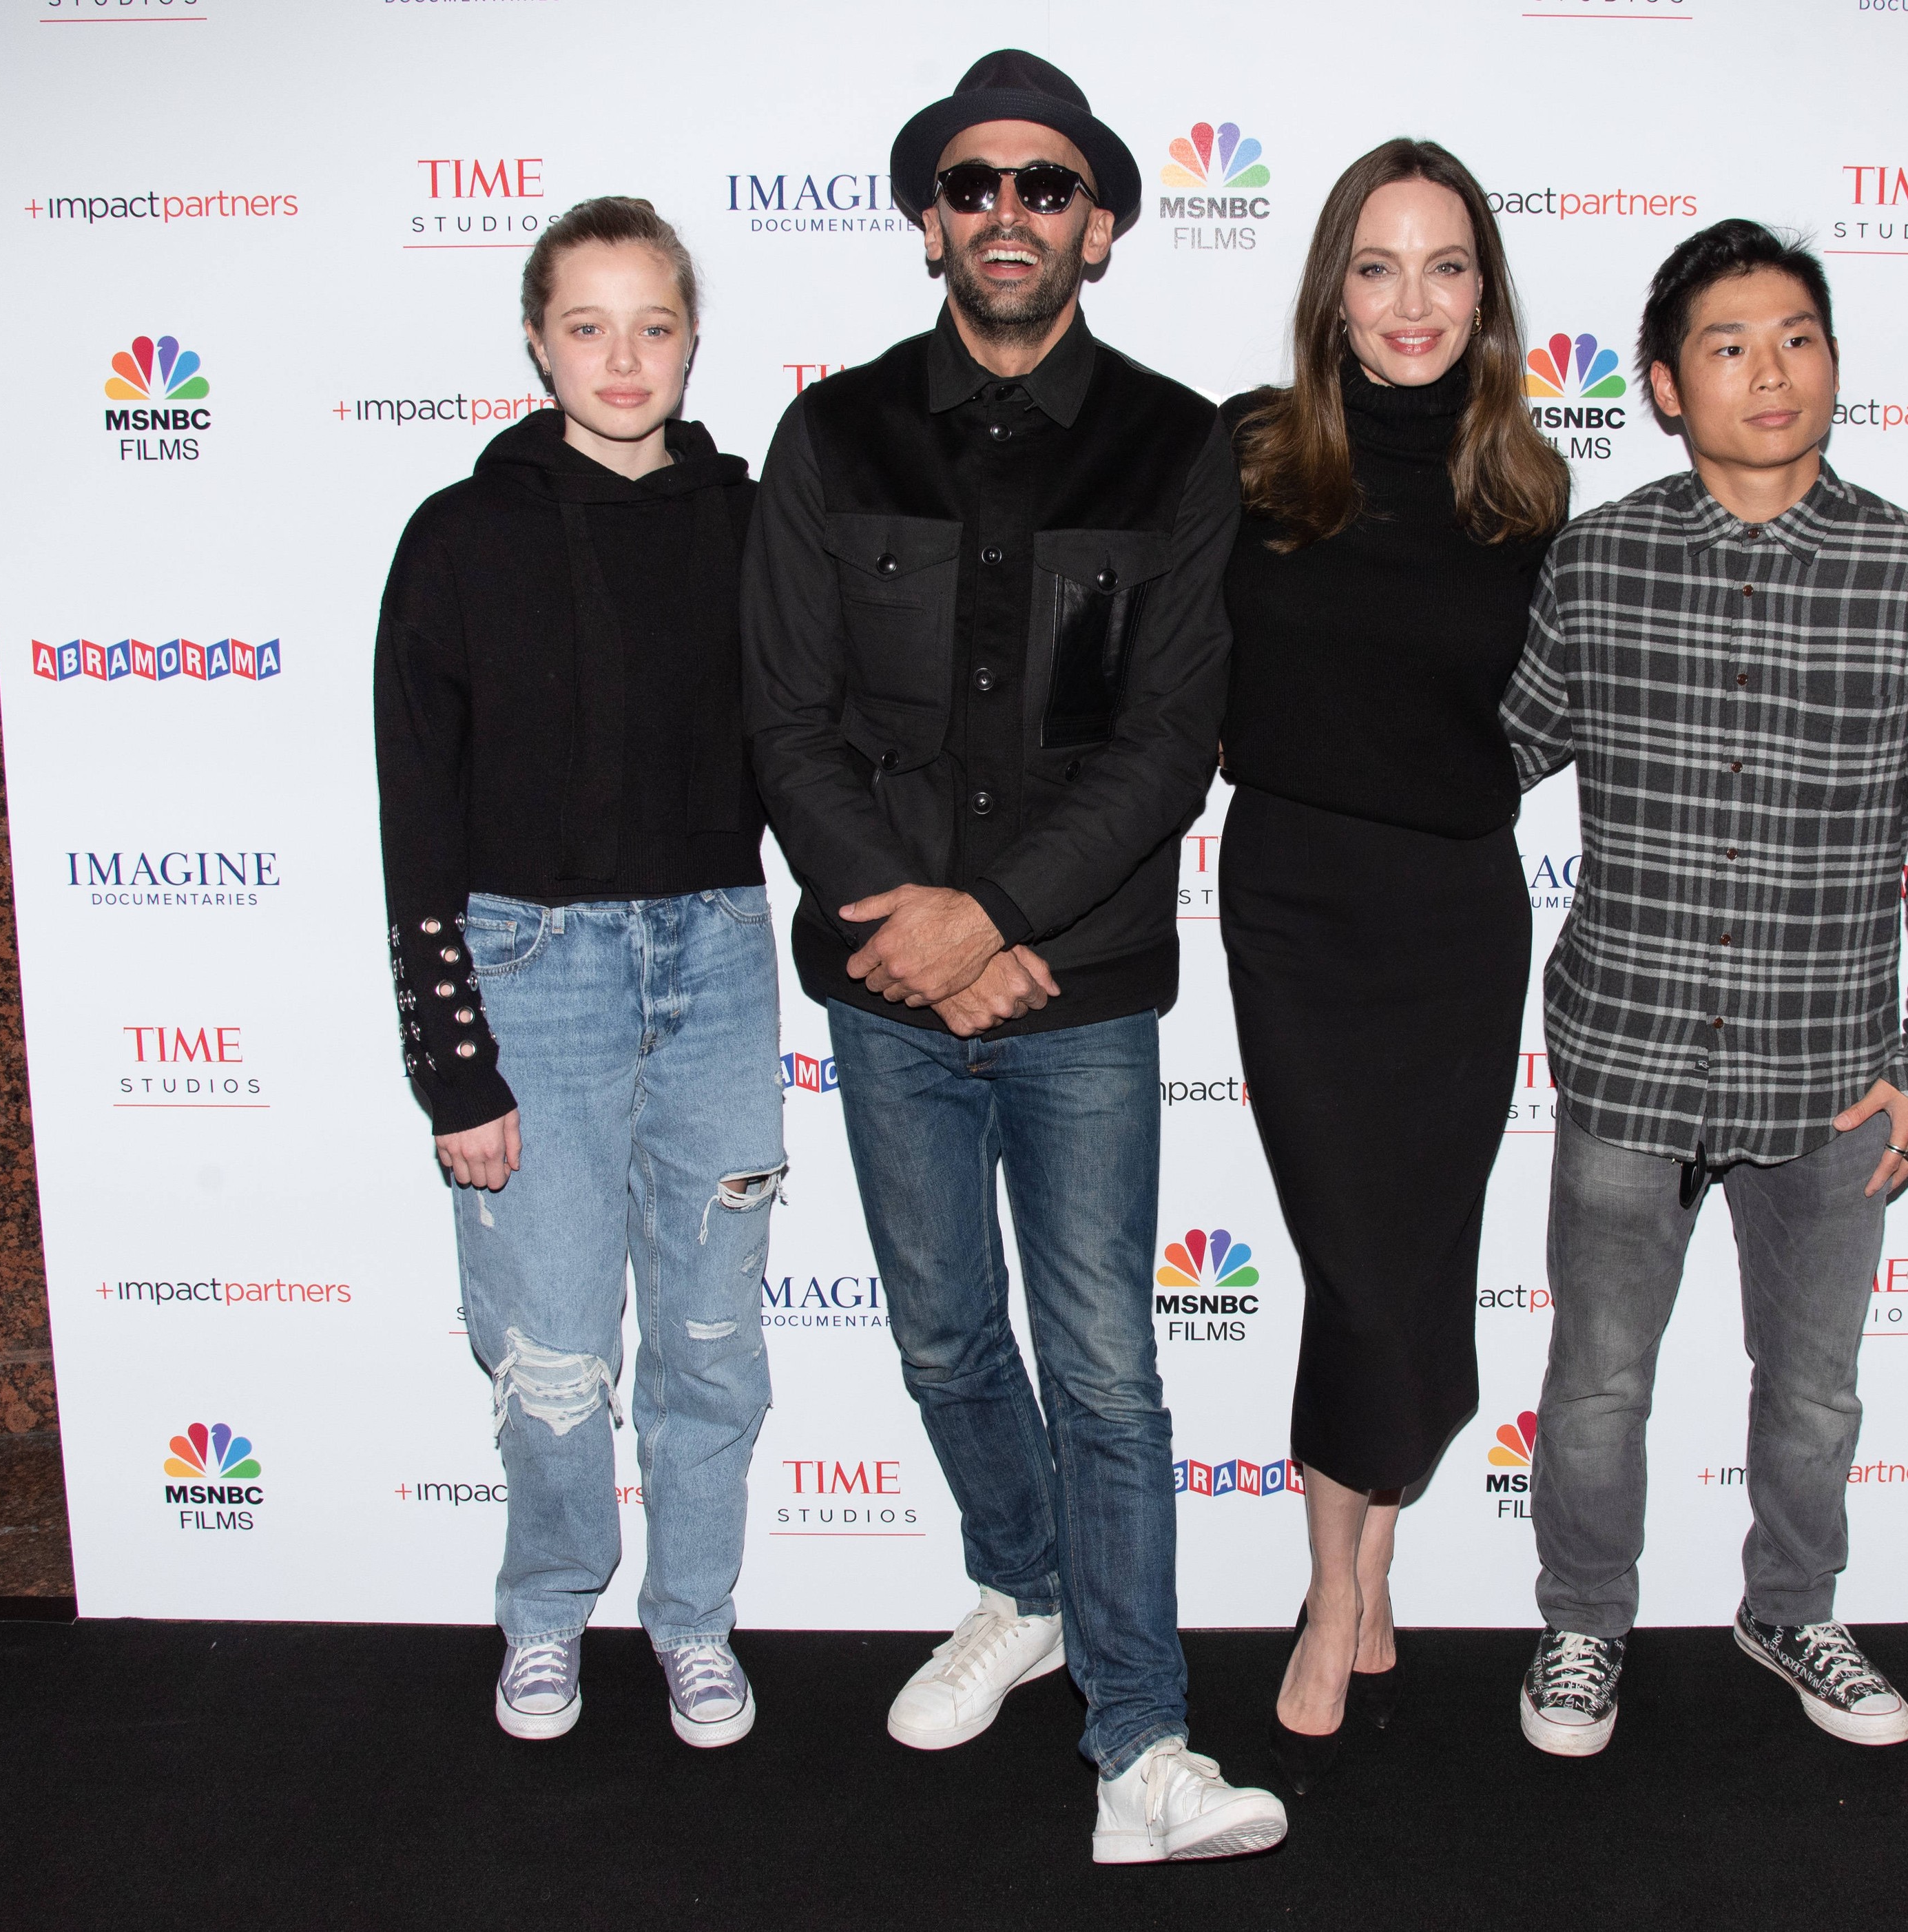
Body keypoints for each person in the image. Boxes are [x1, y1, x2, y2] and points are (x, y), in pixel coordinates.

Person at [745, 50, 1285, 1863]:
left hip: (1077, 987)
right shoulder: (829, 440)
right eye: (971, 183)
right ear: (929, 222)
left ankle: (1140, 1743)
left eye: (1044, 185)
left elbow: (1170, 739)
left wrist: (996, 916)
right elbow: (787, 723)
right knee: (942, 1333)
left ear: (1097, 228)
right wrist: (921, 927)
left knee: (1106, 1365)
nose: (1006, 212)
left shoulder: (1174, 445)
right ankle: (1021, 1583)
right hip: (887, 984)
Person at [1502, 219, 1908, 1755]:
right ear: (1665, 386)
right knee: (1596, 1384)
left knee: (1813, 1392)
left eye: (1796, 337)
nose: (1769, 371)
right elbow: (1484, 760)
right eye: (1727, 346)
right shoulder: (1596, 561)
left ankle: (1791, 1606)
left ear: (1833, 362)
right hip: (1628, 1052)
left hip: (1832, 1074)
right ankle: (1582, 1623)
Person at [373, 196, 783, 1749]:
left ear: (692, 340)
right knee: (549, 1346)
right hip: (528, 969)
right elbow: (417, 810)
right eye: (589, 326)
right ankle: (547, 1606)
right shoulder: (458, 536)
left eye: (653, 325)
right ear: (538, 343)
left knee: (711, 1340)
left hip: (719, 959)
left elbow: (817, 744)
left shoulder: (755, 525)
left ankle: (695, 1618)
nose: (623, 358)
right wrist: (451, 1061)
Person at [1216, 139, 1565, 1791]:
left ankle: (1352, 1570)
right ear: (1331, 292)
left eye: (1442, 266)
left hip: (1452, 916)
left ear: (1482, 293)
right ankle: (1335, 1575)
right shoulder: (1250, 456)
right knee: (1352, 1259)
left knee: (1414, 1259)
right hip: (1292, 902)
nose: (1409, 300)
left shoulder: (1527, 493)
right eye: (1376, 265)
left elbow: (1553, 717)